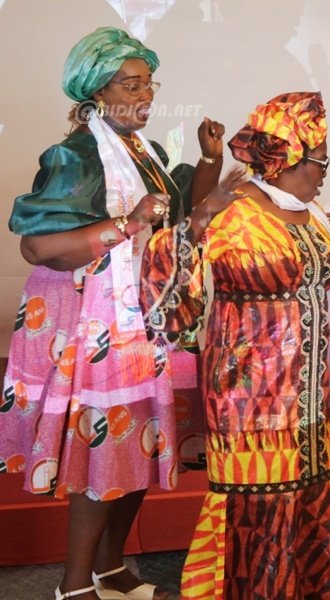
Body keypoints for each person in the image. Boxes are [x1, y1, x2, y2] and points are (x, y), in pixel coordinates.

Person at [0, 27, 225, 600]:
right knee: (104, 448)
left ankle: (110, 569)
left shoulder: (142, 151)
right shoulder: (75, 155)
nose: (145, 94)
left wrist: (209, 160)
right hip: (94, 325)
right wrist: (127, 223)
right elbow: (38, 247)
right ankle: (74, 585)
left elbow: (179, 215)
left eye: (149, 83)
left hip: (147, 320)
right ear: (97, 90)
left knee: (140, 443)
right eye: (131, 84)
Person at [141, 91, 330, 599]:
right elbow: (170, 294)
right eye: (319, 159)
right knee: (259, 513)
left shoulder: (316, 214)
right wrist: (199, 219)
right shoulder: (235, 211)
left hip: (310, 401)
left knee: (311, 497)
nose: (324, 171)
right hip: (249, 401)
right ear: (286, 158)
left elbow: (321, 298)